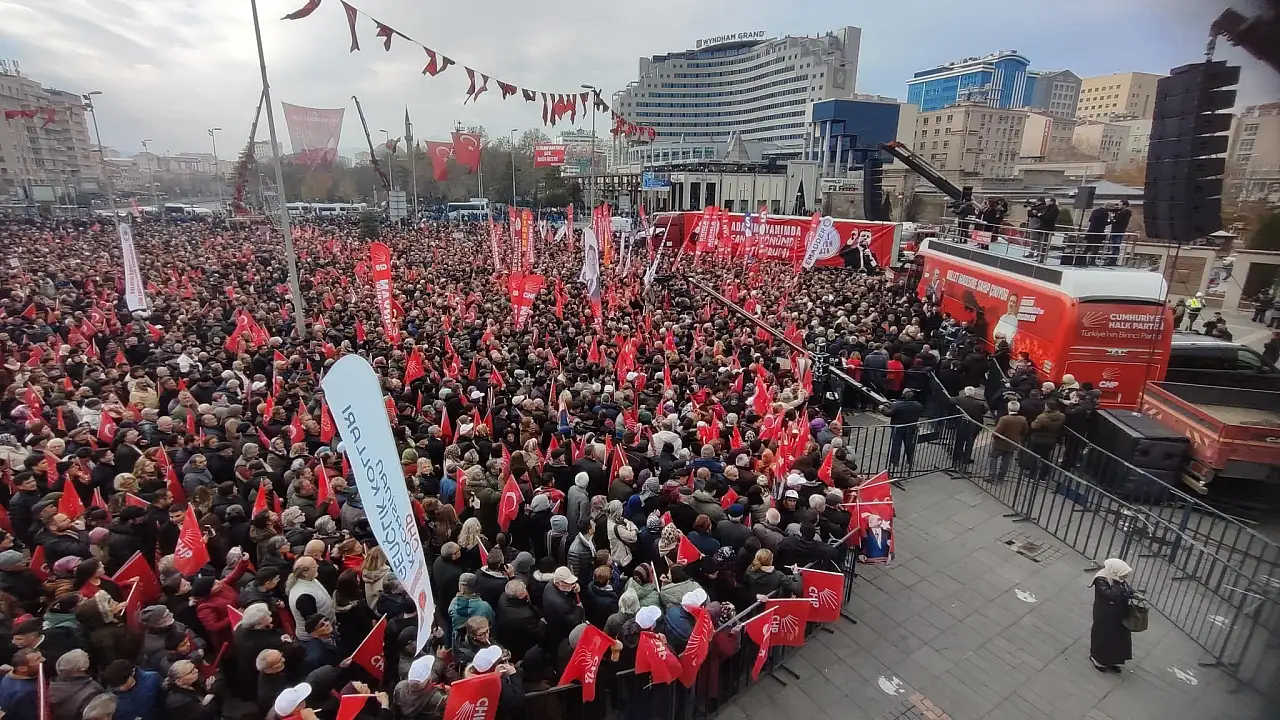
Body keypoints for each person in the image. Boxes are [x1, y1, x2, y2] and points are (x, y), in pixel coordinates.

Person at [1089, 558, 1136, 672]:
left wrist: (1134, 594)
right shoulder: (1101, 579)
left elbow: (1127, 588)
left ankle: (1114, 660)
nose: (1124, 578)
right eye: (1123, 575)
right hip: (1104, 613)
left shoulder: (1118, 578)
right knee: (1103, 635)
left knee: (1119, 638)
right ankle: (1098, 658)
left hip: (1118, 613)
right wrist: (1116, 584)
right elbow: (1109, 595)